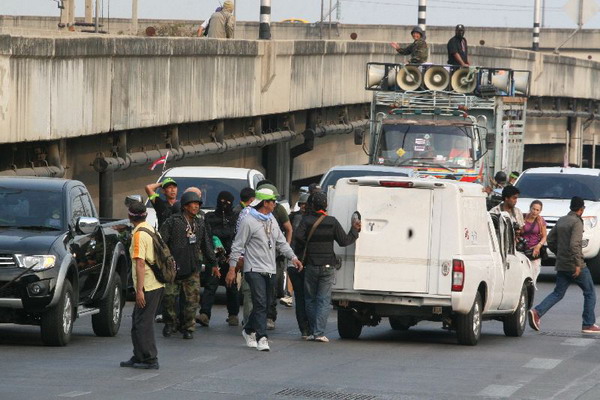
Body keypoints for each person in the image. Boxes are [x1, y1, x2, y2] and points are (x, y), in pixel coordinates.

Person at [226, 187, 303, 351]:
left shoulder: (272, 220)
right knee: (260, 302)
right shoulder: (248, 220)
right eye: (273, 201)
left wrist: (293, 258)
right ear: (264, 203)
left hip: (270, 268)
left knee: (266, 304)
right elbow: (237, 245)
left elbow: (281, 242)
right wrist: (232, 268)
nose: (275, 204)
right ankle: (262, 337)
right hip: (253, 268)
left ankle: (248, 330)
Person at [294, 192, 361, 342]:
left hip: (311, 265)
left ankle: (312, 331)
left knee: (310, 299)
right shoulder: (332, 221)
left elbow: (298, 237)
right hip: (328, 265)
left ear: (311, 205)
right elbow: (344, 241)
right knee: (323, 300)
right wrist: (354, 230)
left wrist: (307, 246)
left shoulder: (306, 221)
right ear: (326, 205)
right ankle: (319, 333)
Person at [529, 196, 600, 333]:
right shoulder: (577, 222)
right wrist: (578, 264)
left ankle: (537, 312)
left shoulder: (562, 220)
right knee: (590, 292)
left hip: (562, 263)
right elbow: (575, 244)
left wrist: (559, 254)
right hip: (574, 264)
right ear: (581, 209)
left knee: (558, 293)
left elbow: (550, 240)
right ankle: (588, 324)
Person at [160, 191, 217, 340]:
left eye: (198, 204)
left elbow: (206, 245)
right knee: (169, 299)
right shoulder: (173, 222)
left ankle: (188, 327)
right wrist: (164, 261)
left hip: (192, 268)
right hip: (173, 268)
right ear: (185, 206)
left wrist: (214, 263)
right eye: (193, 203)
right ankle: (170, 323)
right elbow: (161, 243)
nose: (196, 206)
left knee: (192, 301)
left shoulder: (200, 223)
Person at [120, 202, 164, 370]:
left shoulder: (139, 235)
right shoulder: (150, 228)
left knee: (143, 323)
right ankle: (139, 355)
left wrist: (139, 291)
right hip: (155, 283)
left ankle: (150, 358)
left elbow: (140, 263)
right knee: (138, 321)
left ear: (130, 216)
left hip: (148, 285)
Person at [198, 191, 240, 327]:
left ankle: (233, 315)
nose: (224, 205)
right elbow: (207, 236)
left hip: (230, 257)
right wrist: (211, 255)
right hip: (213, 257)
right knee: (210, 285)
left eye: (228, 203)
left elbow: (237, 237)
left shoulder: (235, 218)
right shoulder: (210, 217)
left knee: (232, 286)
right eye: (222, 201)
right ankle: (204, 314)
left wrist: (233, 255)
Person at [256, 181, 293, 330]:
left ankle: (270, 316)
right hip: (257, 257)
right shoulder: (251, 213)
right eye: (271, 200)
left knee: (271, 288)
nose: (274, 203)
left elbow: (288, 229)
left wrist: (286, 248)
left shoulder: (278, 212)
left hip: (275, 257)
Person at [287, 192, 310, 336]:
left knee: (302, 297)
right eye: (301, 204)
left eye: (305, 204)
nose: (303, 207)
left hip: (297, 261)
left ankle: (305, 328)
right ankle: (306, 328)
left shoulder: (292, 218)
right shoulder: (294, 218)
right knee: (305, 297)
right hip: (297, 261)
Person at [522, 200, 547, 288]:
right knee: (522, 274)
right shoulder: (522, 218)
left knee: (533, 276)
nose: (535, 212)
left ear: (540, 211)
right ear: (530, 208)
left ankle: (530, 292)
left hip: (534, 251)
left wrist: (538, 246)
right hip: (522, 250)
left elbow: (544, 236)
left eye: (537, 210)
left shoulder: (540, 221)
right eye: (533, 209)